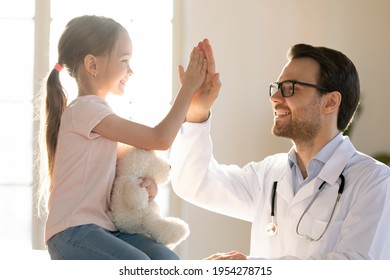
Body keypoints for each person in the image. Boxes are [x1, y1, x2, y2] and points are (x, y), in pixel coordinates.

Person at [170, 42, 390, 259]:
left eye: (290, 88)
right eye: (277, 87)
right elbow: (195, 183)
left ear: (331, 102)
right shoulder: (269, 174)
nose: (275, 98)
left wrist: (252, 268)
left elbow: (357, 267)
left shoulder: (373, 181)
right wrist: (197, 111)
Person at [38, 15, 207, 260]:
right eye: (124, 61)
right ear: (92, 65)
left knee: (168, 260)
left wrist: (144, 185)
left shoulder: (98, 113)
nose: (131, 71)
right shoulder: (86, 110)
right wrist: (188, 89)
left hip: (102, 227)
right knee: (138, 264)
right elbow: (158, 138)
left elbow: (121, 170)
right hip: (72, 231)